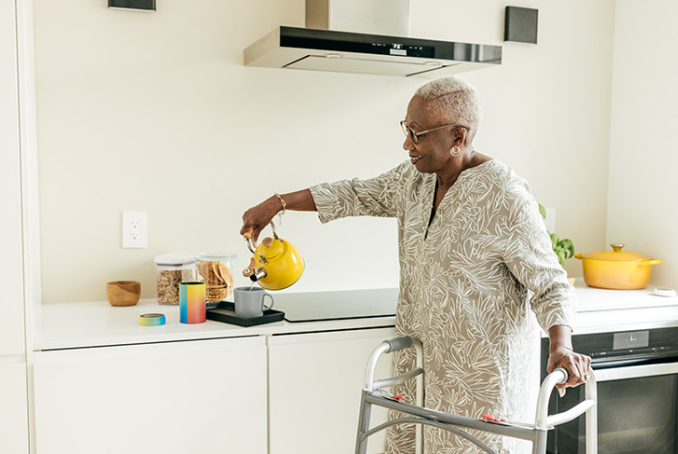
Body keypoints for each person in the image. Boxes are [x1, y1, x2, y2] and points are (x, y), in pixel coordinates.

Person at [240, 76, 591, 454]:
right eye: (406, 129)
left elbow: (550, 284)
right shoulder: (415, 181)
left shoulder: (504, 196)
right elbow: (355, 193)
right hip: (418, 373)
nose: (407, 144)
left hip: (480, 389)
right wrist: (278, 202)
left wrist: (561, 346)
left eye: (417, 134)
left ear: (458, 136)